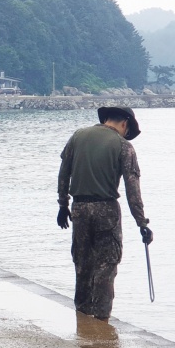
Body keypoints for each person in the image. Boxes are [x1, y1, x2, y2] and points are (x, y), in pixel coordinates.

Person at [57, 106, 152, 321]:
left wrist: (63, 205)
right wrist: (142, 223)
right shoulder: (123, 146)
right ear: (124, 124)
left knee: (82, 264)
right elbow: (132, 189)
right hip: (106, 211)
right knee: (106, 268)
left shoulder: (78, 136)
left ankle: (81, 317)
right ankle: (101, 321)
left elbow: (64, 172)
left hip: (79, 209)